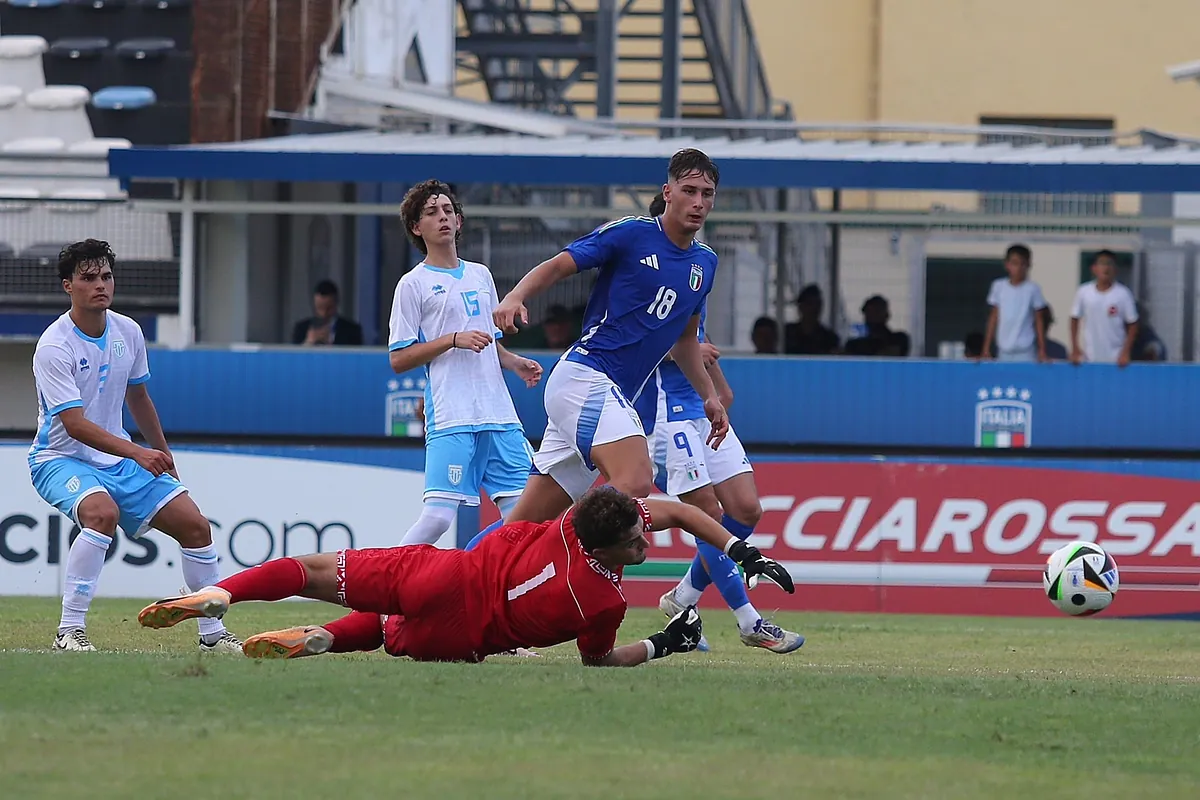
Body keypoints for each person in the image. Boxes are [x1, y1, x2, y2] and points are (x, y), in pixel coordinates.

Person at [136, 487, 796, 665]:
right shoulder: (601, 603)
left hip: (443, 572)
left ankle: (222, 592)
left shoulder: (575, 522)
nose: (646, 541)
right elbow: (600, 663)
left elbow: (676, 510)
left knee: (308, 569)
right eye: (636, 539)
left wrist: (739, 554)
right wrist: (665, 644)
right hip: (460, 635)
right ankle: (325, 639)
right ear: (608, 541)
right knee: (386, 633)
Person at [490, 148, 728, 529]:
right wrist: (515, 296)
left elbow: (684, 340)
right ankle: (574, 559)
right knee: (634, 481)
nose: (699, 202)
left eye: (707, 193)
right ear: (667, 192)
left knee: (520, 529)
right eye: (689, 190)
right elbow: (559, 264)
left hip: (611, 395)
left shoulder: (706, 263)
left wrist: (708, 396)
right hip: (586, 376)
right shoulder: (633, 232)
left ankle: (469, 576)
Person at [28, 239, 241, 653]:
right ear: (67, 286)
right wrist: (138, 452)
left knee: (196, 527)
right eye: (88, 278)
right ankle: (69, 631)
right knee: (101, 513)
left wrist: (164, 456)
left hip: (119, 457)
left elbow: (139, 398)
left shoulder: (128, 330)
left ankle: (212, 637)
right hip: (60, 458)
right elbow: (73, 426)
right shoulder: (54, 346)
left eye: (106, 276)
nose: (100, 285)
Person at [638, 193, 802, 654]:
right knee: (709, 517)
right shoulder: (647, 271)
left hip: (700, 406)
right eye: (687, 202)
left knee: (746, 509)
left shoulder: (698, 269)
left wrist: (716, 388)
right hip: (667, 416)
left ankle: (684, 595)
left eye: (703, 203)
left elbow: (695, 339)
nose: (696, 213)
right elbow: (640, 338)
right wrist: (683, 351)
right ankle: (749, 622)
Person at [388, 180, 544, 546]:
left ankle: (486, 581)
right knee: (438, 519)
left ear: (458, 221)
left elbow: (490, 343)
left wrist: (513, 362)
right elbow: (399, 359)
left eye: (448, 211)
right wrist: (452, 340)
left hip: (499, 415)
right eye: (431, 213)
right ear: (416, 227)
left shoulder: (481, 274)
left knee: (527, 517)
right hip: (452, 414)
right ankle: (379, 594)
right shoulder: (413, 284)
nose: (443, 217)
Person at [980, 244, 1048, 362]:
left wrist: (1042, 349)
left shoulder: (1033, 289)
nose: (1019, 268)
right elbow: (993, 317)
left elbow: (1039, 320)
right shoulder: (998, 286)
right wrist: (986, 348)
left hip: (1025, 348)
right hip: (1003, 348)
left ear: (1028, 265)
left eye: (1023, 264)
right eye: (1015, 263)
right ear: (1007, 265)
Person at [1070, 250, 1138, 366]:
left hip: (1116, 358)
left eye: (1109, 264)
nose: (1105, 268)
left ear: (1115, 269)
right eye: (1102, 263)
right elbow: (1074, 319)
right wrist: (1075, 348)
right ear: (1094, 268)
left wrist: (1125, 352)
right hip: (1089, 356)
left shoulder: (1123, 294)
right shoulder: (1084, 292)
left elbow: (1133, 324)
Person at [292, 280, 364, 346]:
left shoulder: (352, 330)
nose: (324, 313)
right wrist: (308, 343)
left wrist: (330, 343)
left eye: (329, 308)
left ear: (336, 304)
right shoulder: (301, 329)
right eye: (320, 307)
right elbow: (293, 358)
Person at [784, 284, 839, 355]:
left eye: (818, 304)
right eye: (810, 304)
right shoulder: (787, 333)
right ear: (800, 306)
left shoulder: (829, 338)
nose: (814, 309)